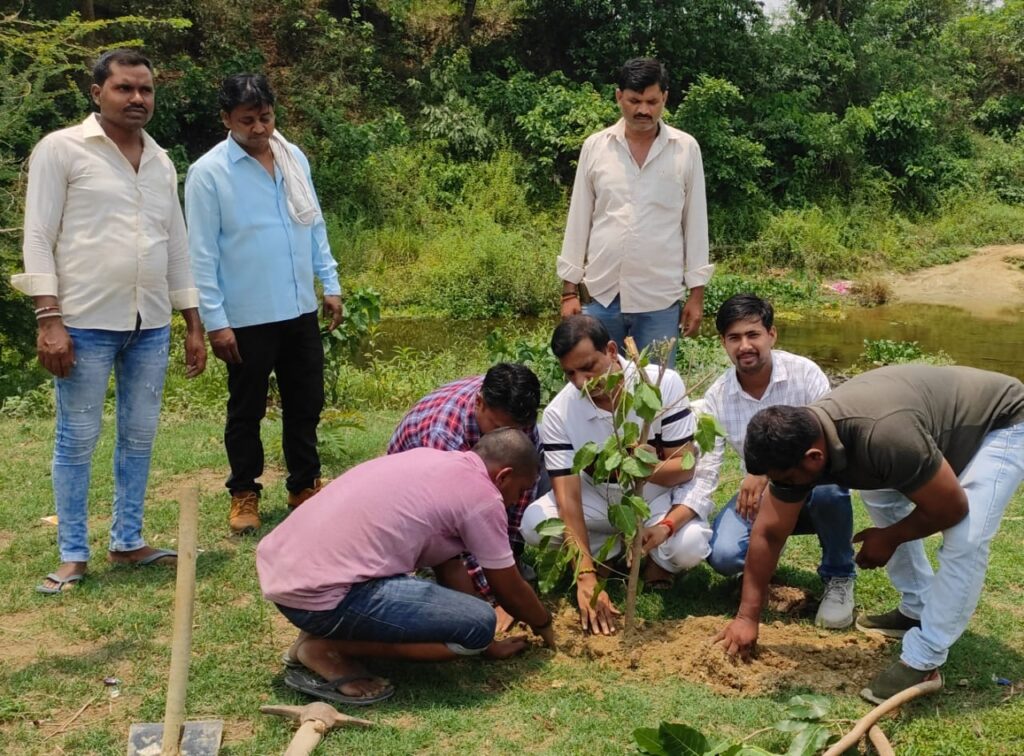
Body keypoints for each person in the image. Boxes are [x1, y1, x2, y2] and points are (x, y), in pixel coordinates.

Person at [12, 49, 207, 594]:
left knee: (139, 436)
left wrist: (192, 321)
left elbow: (175, 244)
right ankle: (73, 554)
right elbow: (38, 236)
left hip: (150, 323)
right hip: (83, 321)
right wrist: (48, 319)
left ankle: (128, 540)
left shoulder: (161, 160)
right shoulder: (62, 149)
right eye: (125, 88)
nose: (137, 98)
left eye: (146, 89)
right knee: (77, 439)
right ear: (97, 92)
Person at [713, 365, 1024, 704]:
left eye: (785, 480)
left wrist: (891, 537)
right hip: (924, 426)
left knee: (967, 537)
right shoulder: (800, 446)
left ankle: (924, 658)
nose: (783, 487)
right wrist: (747, 616)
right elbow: (770, 533)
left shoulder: (883, 437)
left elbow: (952, 507)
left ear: (814, 458)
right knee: (881, 494)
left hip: (1003, 420)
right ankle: (916, 608)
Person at [256, 428, 556, 705]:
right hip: (323, 598)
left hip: (287, 578)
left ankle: (321, 633)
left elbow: (449, 565)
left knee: (476, 625)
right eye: (520, 491)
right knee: (480, 624)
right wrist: (544, 625)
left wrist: (487, 646)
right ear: (503, 476)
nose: (516, 501)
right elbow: (507, 586)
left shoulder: (435, 460)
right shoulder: (483, 496)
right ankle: (328, 648)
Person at [185, 73, 342, 534]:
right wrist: (216, 322)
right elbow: (202, 255)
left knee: (305, 402)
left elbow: (313, 224)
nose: (259, 129)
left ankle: (304, 485)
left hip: (299, 307)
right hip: (246, 316)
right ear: (226, 119)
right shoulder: (209, 173)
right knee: (246, 408)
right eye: (247, 120)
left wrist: (330, 283)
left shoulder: (293, 157)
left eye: (266, 117)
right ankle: (244, 492)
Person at [520, 315, 709, 634]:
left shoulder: (660, 384)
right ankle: (606, 552)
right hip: (598, 495)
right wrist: (585, 577)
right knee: (534, 525)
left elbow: (683, 467)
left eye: (588, 368)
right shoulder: (558, 413)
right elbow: (568, 498)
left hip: (654, 496)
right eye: (570, 373)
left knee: (689, 546)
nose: (581, 382)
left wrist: (637, 467)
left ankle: (654, 560)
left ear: (610, 350)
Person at [681, 294, 856, 628]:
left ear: (771, 335)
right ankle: (761, 562)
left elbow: (829, 442)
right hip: (762, 498)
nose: (745, 346)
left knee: (831, 491)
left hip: (812, 485)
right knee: (723, 555)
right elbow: (708, 468)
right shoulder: (718, 396)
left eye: (753, 335)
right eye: (734, 338)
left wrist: (765, 472)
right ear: (723, 343)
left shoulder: (805, 374)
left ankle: (839, 576)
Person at [557, 58, 713, 367]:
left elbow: (695, 224)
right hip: (601, 296)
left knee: (655, 386)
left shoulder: (686, 149)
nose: (644, 110)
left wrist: (697, 296)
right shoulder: (596, 147)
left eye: (652, 102)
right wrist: (569, 292)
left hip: (659, 299)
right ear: (619, 97)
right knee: (597, 382)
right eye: (634, 101)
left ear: (665, 98)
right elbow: (578, 219)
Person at [388, 363, 543, 601]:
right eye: (498, 427)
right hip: (411, 499)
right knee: (457, 571)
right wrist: (493, 589)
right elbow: (453, 518)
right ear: (479, 403)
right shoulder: (444, 437)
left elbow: (521, 491)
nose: (508, 437)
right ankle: (431, 566)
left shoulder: (516, 415)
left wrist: (507, 559)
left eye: (517, 430)